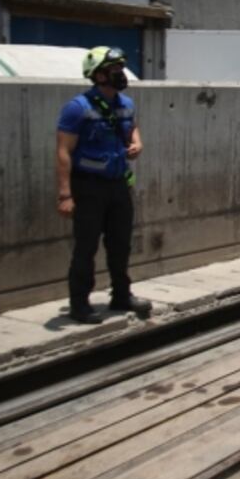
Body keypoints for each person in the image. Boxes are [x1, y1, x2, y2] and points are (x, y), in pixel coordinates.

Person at [56, 46, 150, 325]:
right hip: (88, 187)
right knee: (86, 247)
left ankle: (121, 295)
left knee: (120, 244)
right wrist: (64, 194)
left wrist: (137, 142)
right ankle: (79, 304)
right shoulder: (78, 108)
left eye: (121, 68)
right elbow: (63, 150)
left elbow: (131, 126)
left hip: (118, 185)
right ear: (97, 76)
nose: (120, 74)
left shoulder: (125, 104)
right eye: (114, 70)